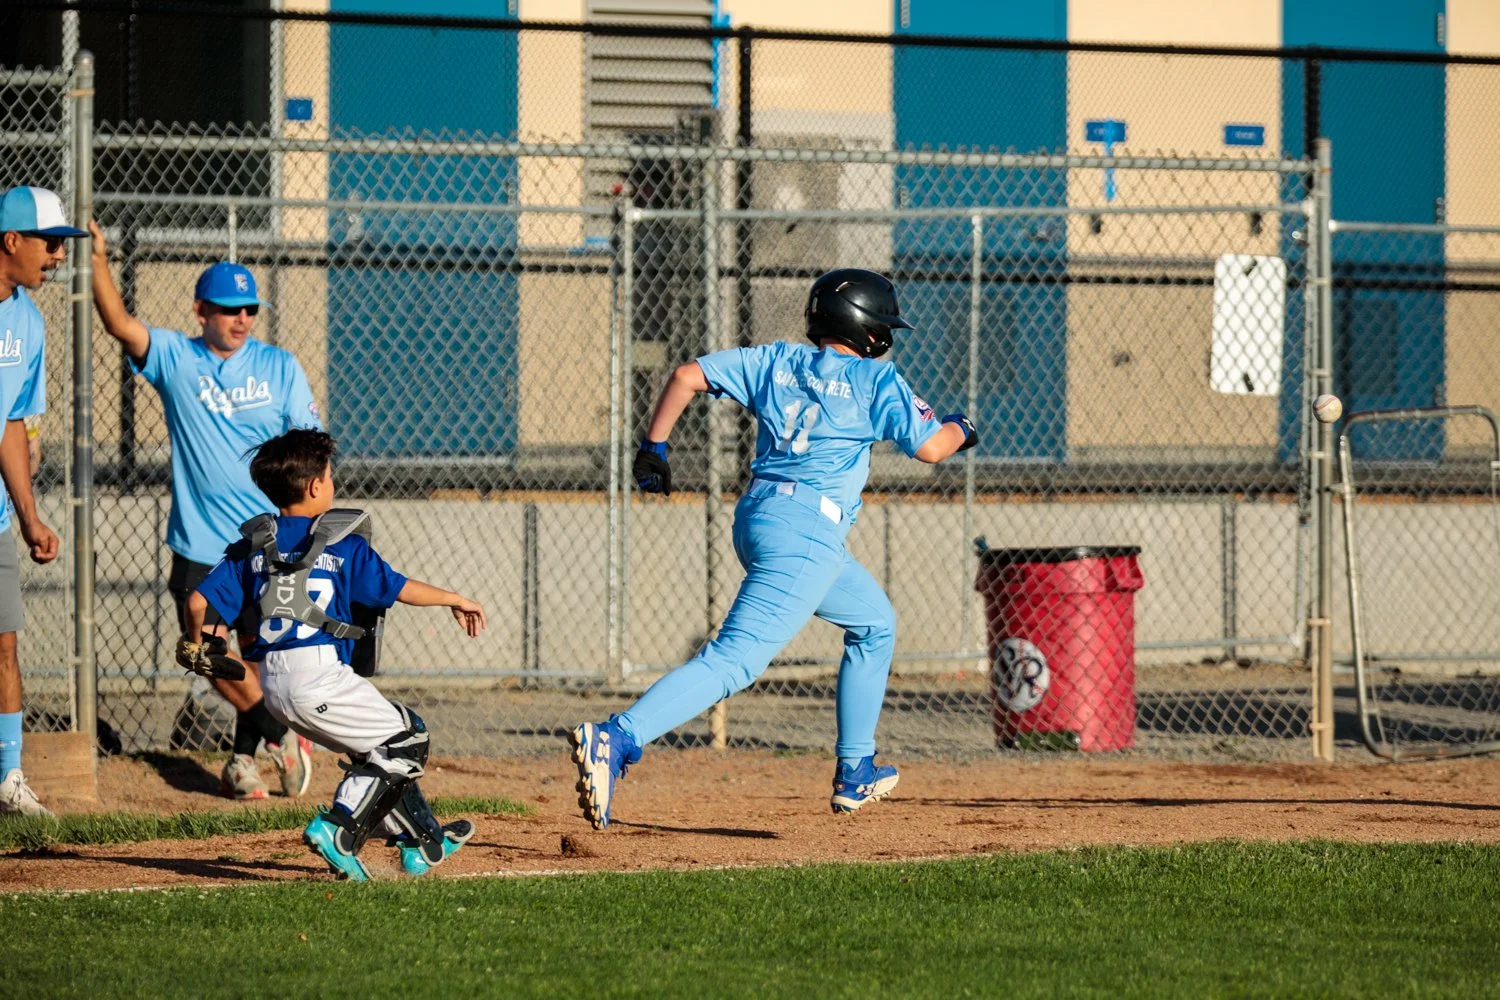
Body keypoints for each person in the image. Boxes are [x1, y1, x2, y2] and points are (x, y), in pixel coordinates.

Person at [570, 268, 977, 830]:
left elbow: (687, 375)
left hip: (763, 517)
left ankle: (856, 768)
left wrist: (654, 447)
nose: (887, 335)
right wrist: (964, 426)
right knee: (734, 661)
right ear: (866, 331)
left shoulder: (777, 359)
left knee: (875, 623)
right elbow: (932, 448)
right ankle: (617, 738)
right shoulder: (876, 380)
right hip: (807, 533)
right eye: (883, 325)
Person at [179, 428, 487, 880]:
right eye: (329, 474)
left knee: (384, 743)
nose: (332, 482)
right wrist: (455, 599)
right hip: (318, 674)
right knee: (408, 742)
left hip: (272, 684)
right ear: (315, 487)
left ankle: (423, 841)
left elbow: (196, 604)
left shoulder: (253, 546)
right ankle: (339, 828)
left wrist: (203, 643)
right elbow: (398, 588)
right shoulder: (343, 544)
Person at [89, 221, 321, 800]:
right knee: (203, 653)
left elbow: (312, 448)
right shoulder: (176, 358)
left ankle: (243, 762)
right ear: (200, 310)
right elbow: (119, 324)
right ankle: (278, 734)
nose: (241, 319)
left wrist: (312, 528)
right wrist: (98, 260)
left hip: (268, 543)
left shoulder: (279, 367)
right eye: (227, 309)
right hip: (199, 541)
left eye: (248, 309)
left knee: (259, 663)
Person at [0, 187, 69, 817]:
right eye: (50, 244)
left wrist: (28, 517)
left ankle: (8, 780)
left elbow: (14, 424)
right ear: (11, 239)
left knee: (4, 645)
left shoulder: (27, 320)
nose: (56, 257)